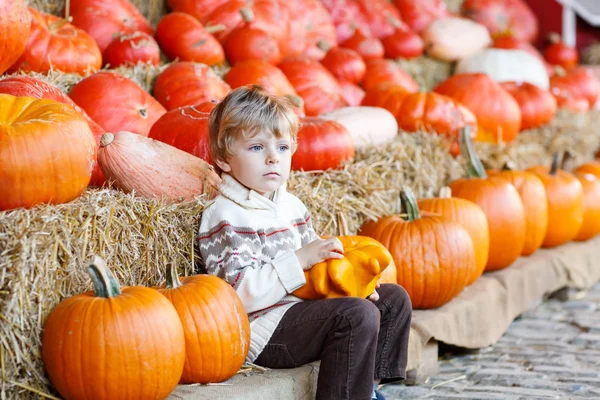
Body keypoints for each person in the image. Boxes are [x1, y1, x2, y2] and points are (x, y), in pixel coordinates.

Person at [198, 85, 412, 400]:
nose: (272, 158)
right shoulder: (226, 215)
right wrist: (298, 260)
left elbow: (318, 269)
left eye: (282, 148)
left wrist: (352, 281)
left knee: (392, 299)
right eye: (257, 148)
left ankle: (369, 388)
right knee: (356, 315)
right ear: (224, 159)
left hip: (302, 312)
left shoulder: (292, 206)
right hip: (262, 331)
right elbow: (237, 297)